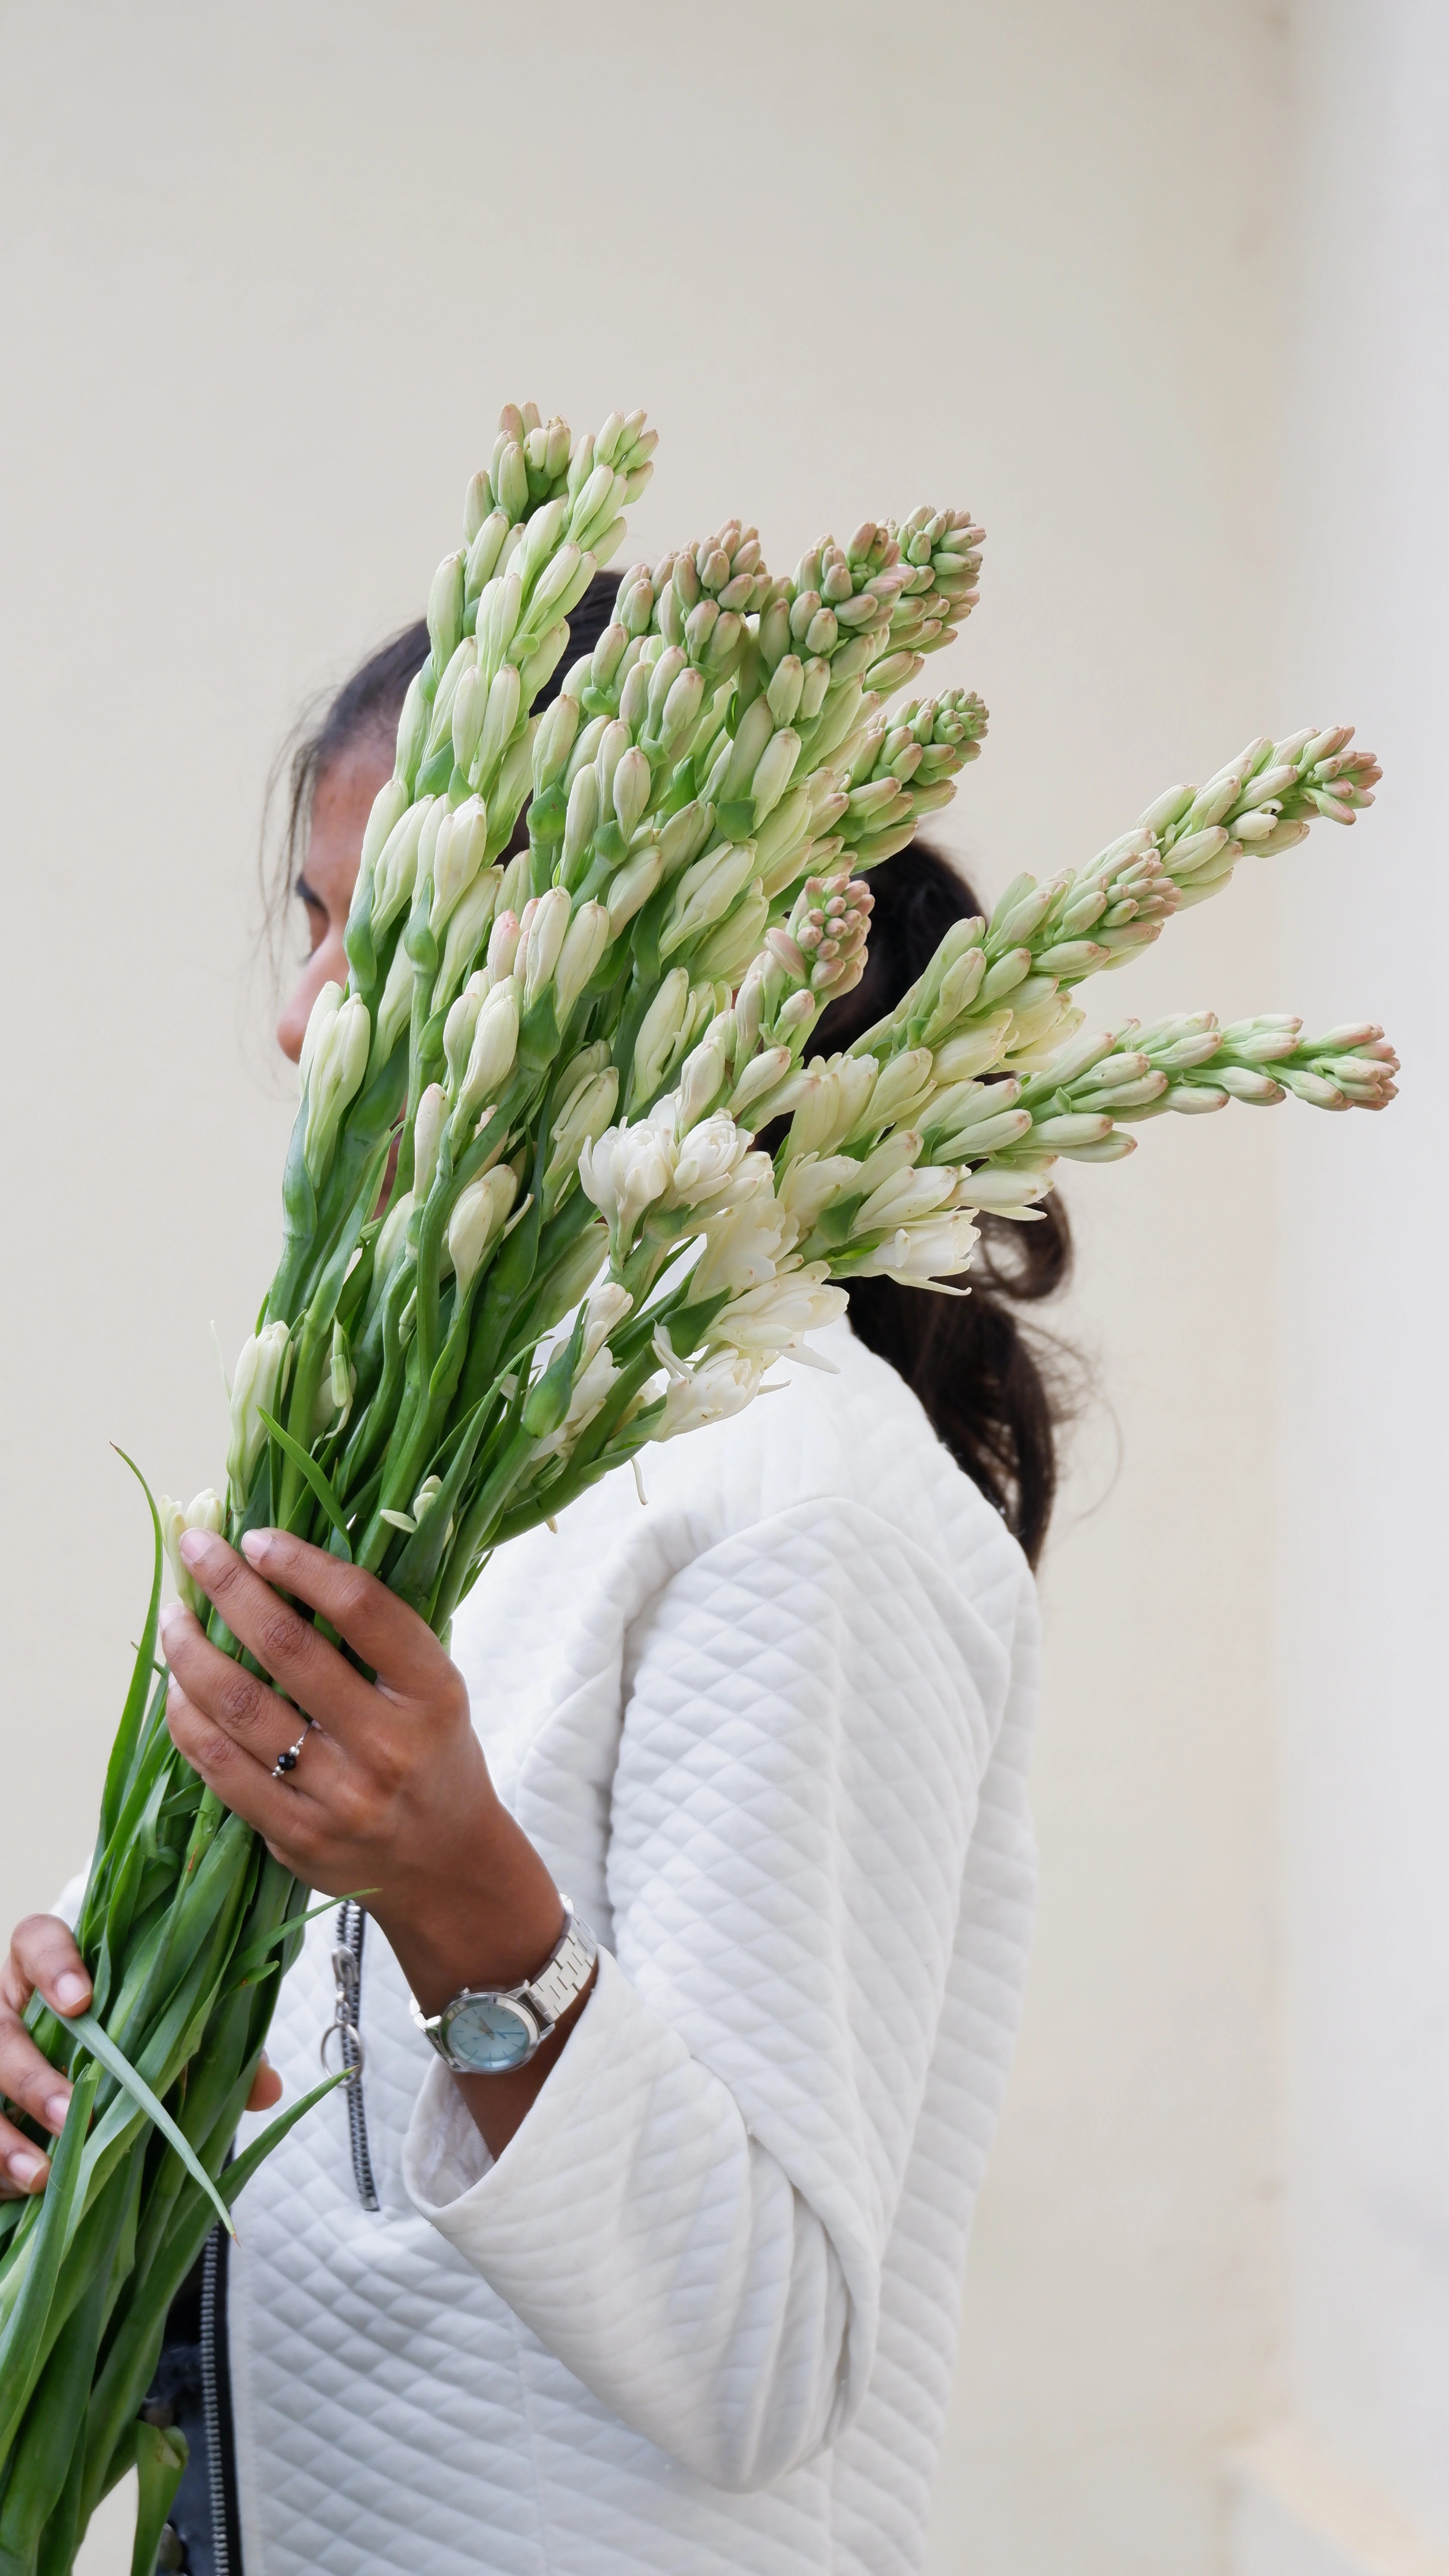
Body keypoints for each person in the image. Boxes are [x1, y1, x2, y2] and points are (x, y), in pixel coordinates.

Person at [0, 577, 1068, 2576]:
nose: (304, 1017)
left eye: (387, 930)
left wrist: (461, 1899)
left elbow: (762, 2361)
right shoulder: (441, 1447)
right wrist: (76, 2031)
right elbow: (305, 2114)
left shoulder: (806, 1507)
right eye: (311, 925)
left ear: (640, 965)